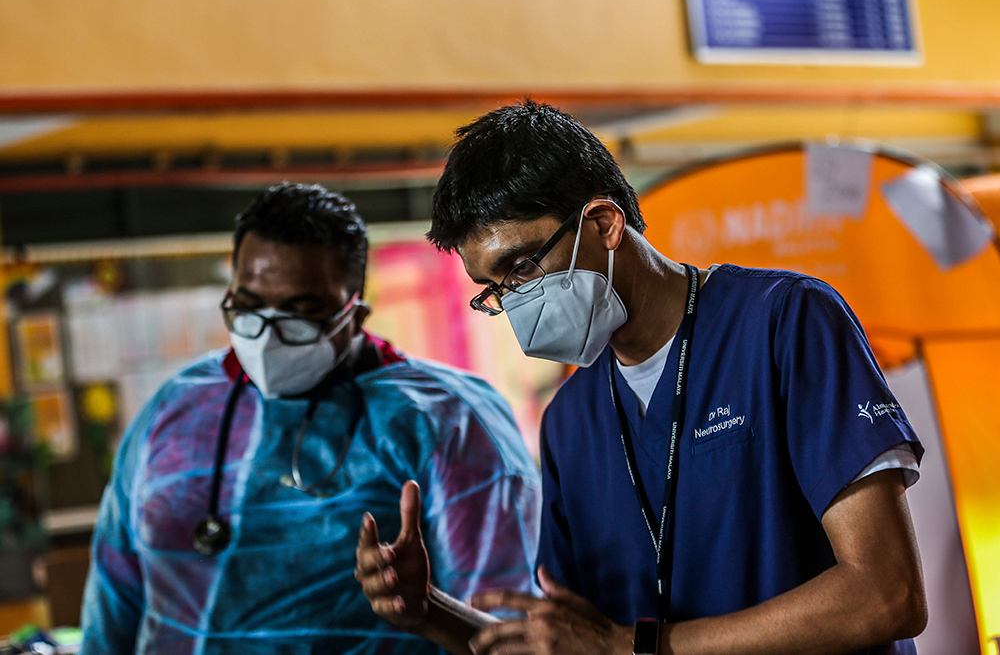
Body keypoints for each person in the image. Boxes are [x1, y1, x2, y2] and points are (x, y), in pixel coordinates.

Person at [355, 101, 927, 655]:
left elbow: (886, 594)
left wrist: (642, 647)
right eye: (494, 288)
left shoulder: (784, 321)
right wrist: (430, 612)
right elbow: (574, 644)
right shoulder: (571, 421)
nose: (514, 301)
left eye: (522, 267)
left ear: (604, 224)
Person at [80, 183, 541, 655]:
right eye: (249, 307)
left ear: (354, 314)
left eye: (300, 314)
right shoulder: (173, 410)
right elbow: (114, 598)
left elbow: (506, 628)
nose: (268, 336)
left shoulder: (447, 421)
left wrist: (427, 608)